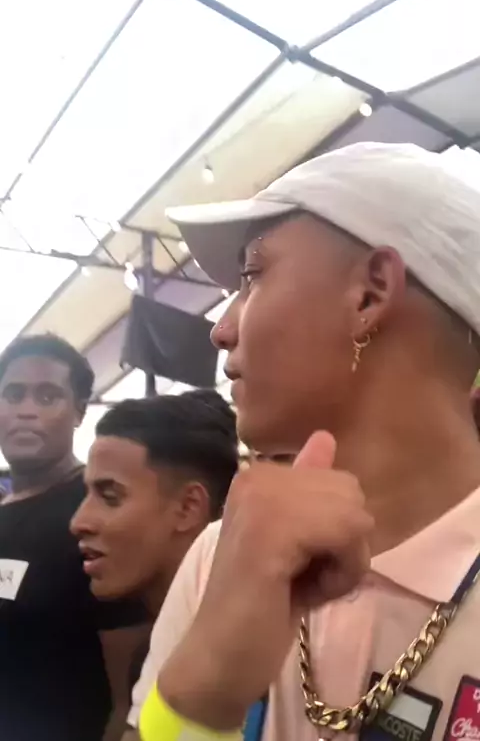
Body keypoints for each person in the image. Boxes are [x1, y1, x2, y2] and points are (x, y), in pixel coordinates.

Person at [127, 143, 480, 741]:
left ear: (369, 294)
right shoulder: (223, 554)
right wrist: (198, 697)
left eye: (251, 276)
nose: (221, 329)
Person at [0, 334, 148, 741]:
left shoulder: (97, 512)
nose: (26, 411)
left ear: (79, 412)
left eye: (48, 397)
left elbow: (127, 700)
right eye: (13, 395)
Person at [71, 389, 239, 688]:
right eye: (87, 494)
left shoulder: (253, 662)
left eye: (110, 496)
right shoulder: (151, 656)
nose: (78, 522)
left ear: (188, 507)